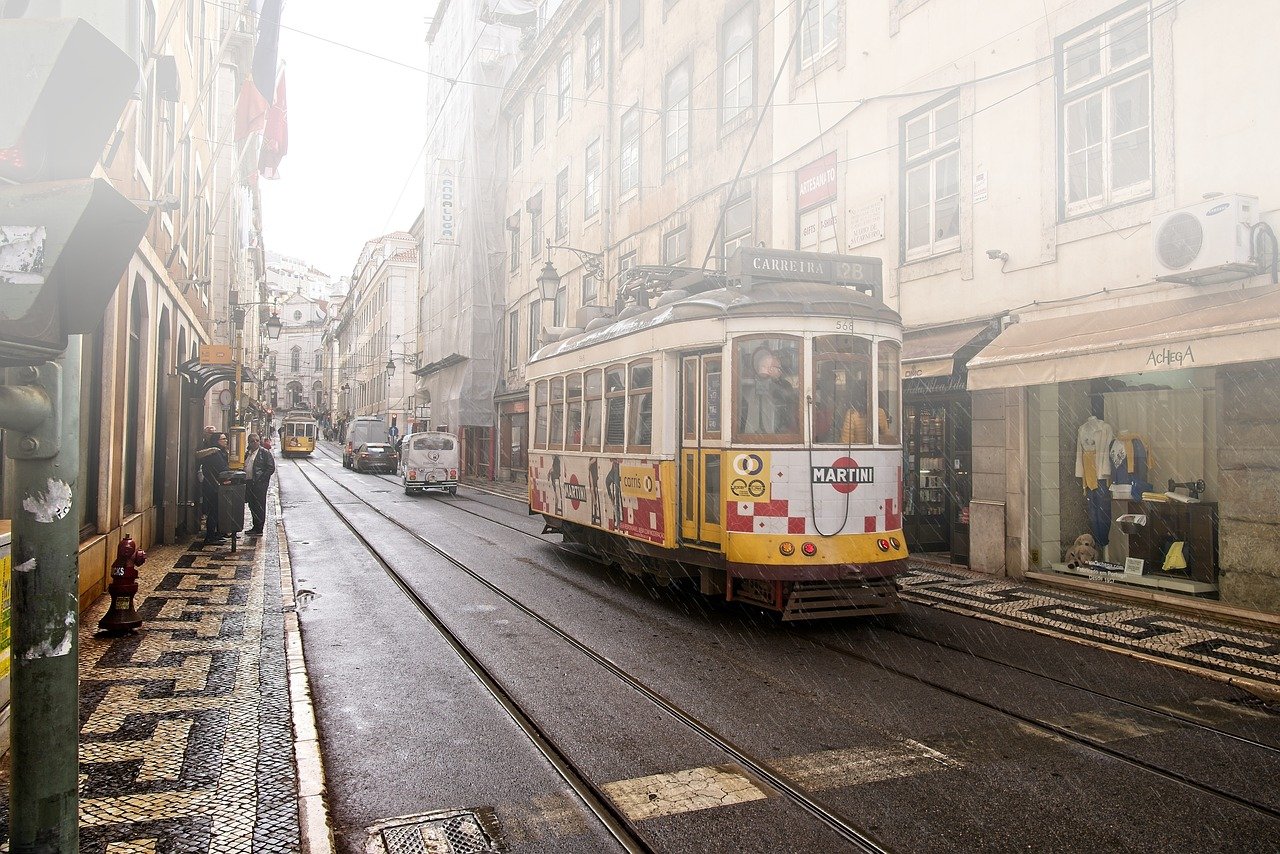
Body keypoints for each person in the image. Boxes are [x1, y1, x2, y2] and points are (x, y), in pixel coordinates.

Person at [197, 432, 230, 544]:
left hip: (212, 485)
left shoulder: (218, 452)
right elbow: (222, 468)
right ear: (217, 441)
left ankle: (215, 534)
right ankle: (210, 536)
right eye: (223, 439)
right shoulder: (215, 453)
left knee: (215, 510)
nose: (226, 441)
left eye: (226, 439)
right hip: (213, 486)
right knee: (214, 511)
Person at [244, 433, 276, 536]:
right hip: (249, 483)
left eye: (257, 440)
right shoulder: (248, 453)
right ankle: (255, 526)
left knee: (259, 505)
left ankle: (259, 528)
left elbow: (271, 467)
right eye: (253, 441)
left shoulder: (264, 453)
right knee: (252, 505)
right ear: (249, 442)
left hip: (259, 484)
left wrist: (261, 479)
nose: (255, 443)